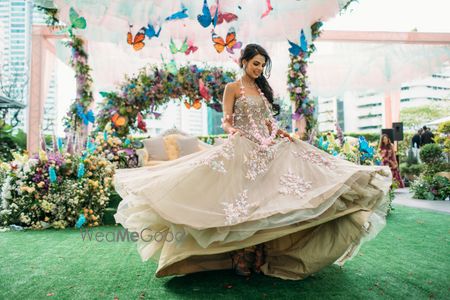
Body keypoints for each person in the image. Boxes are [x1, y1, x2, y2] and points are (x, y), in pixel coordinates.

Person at [113, 44, 392, 280]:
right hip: (242, 148)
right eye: (256, 64)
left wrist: (282, 133)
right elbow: (226, 120)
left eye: (262, 65)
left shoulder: (260, 90)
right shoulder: (232, 88)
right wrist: (235, 132)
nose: (259, 69)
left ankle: (263, 254)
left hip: (266, 147)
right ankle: (238, 256)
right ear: (244, 62)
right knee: (241, 203)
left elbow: (268, 122)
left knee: (272, 198)